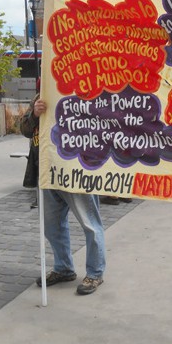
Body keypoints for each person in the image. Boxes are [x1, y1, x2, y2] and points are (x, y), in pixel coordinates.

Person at [20, 95, 107, 295]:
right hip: (47, 173)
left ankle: (95, 272)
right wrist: (34, 113)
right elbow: (24, 129)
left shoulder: (90, 92)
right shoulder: (43, 93)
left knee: (90, 224)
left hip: (78, 171)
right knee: (52, 227)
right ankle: (63, 268)